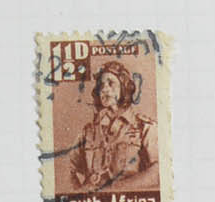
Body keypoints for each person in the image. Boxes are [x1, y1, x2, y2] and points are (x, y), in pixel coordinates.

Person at [66, 59, 156, 193]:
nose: (104, 89)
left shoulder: (144, 127)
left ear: (124, 88)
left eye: (111, 83)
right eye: (101, 85)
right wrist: (79, 194)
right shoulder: (89, 131)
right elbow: (68, 169)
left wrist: (116, 188)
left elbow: (158, 172)